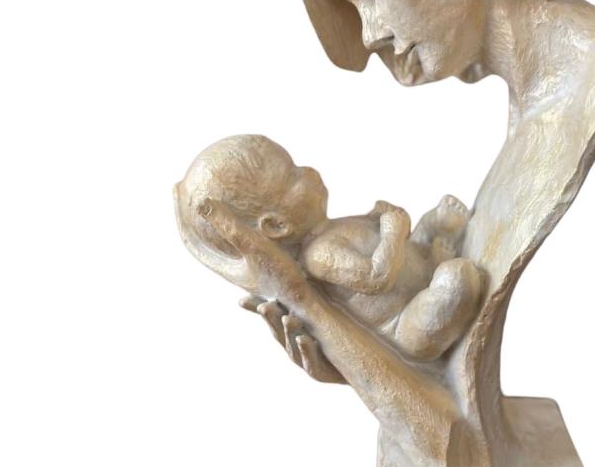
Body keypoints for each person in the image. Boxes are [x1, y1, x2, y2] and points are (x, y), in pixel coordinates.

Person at [181, 135, 483, 362]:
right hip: (403, 322)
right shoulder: (320, 256)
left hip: (412, 267)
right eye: (294, 176)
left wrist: (376, 218)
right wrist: (394, 229)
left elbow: (375, 240)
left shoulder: (331, 230)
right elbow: (377, 277)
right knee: (457, 280)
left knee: (439, 221)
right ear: (276, 225)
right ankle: (440, 272)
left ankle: (434, 256)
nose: (310, 171)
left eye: (297, 165)